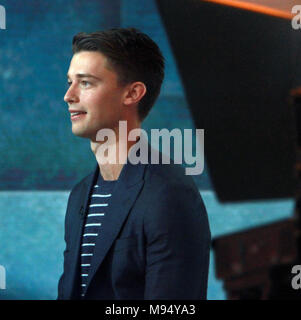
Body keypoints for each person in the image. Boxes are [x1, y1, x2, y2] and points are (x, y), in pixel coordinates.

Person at [57, 28, 211, 300]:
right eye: (70, 82)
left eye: (86, 83)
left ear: (132, 93)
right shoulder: (80, 194)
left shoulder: (170, 194)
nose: (69, 96)